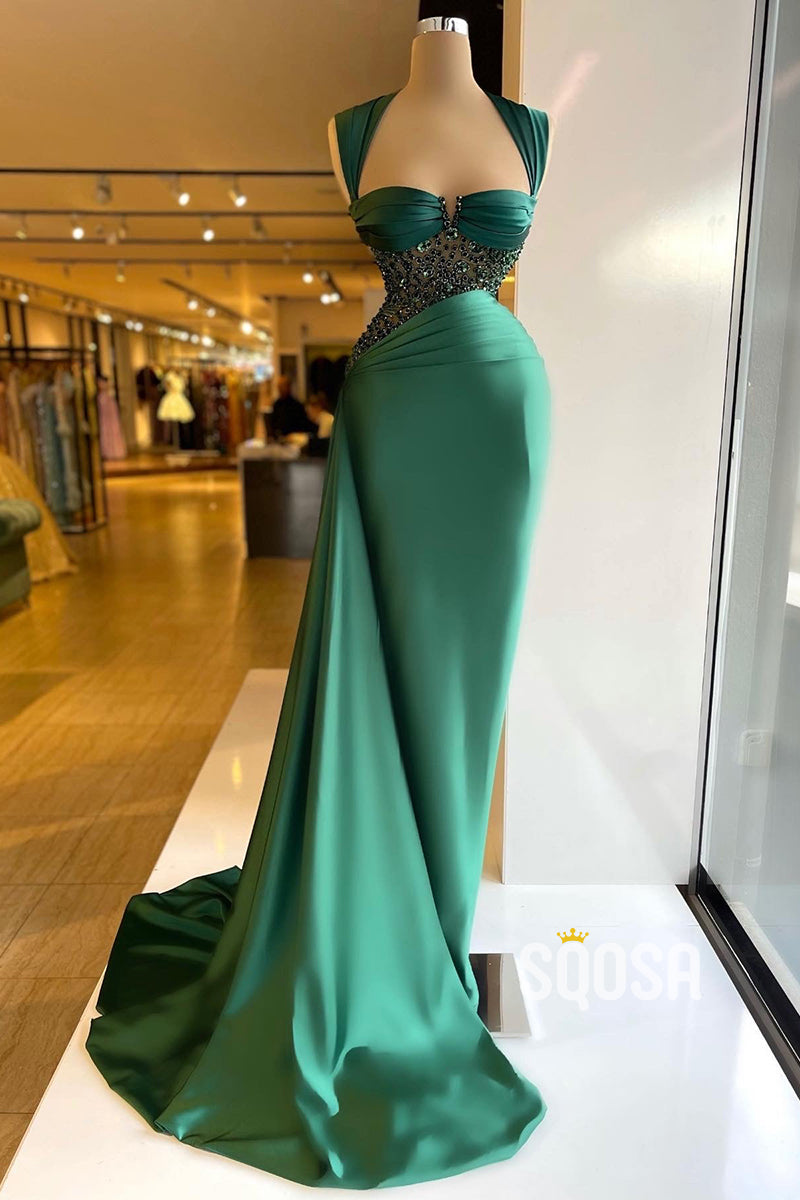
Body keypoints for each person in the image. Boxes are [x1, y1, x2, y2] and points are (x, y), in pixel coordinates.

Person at [269, 374, 316, 439]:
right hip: (280, 438)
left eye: (282, 386)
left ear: (289, 387)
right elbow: (273, 424)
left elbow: (303, 425)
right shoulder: (277, 404)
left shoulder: (297, 405)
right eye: (279, 387)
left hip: (295, 438)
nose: (280, 389)